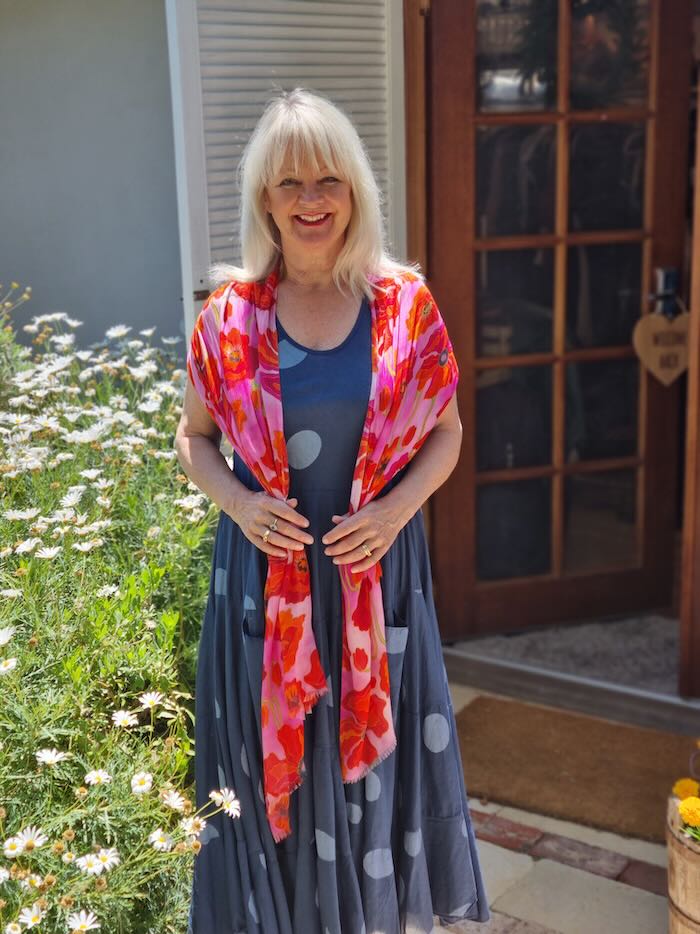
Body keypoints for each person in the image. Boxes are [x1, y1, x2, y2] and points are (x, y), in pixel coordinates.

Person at [175, 87, 490, 934]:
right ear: (264, 202)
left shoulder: (404, 308)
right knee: (273, 782)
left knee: (367, 782)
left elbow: (449, 434)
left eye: (327, 181)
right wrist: (239, 502)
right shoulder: (228, 320)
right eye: (288, 184)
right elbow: (194, 440)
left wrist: (392, 515)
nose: (310, 201)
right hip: (260, 591)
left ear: (354, 191)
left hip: (374, 583)